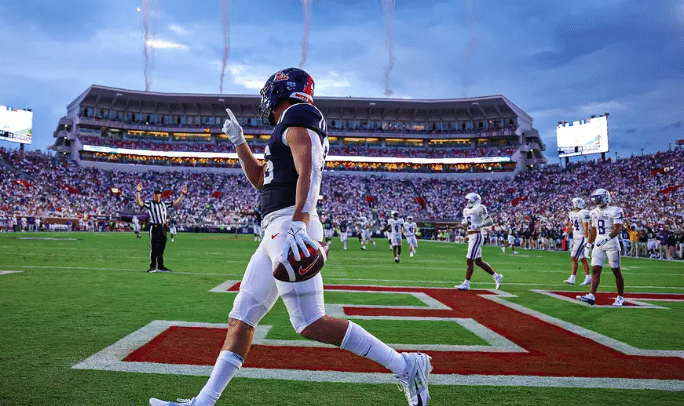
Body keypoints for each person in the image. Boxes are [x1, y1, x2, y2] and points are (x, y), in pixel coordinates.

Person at [149, 67, 431, 406]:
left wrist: (300, 219)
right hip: (274, 228)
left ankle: (404, 365)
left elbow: (308, 170)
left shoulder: (300, 114)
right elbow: (260, 178)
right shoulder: (287, 125)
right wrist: (239, 143)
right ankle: (203, 403)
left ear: (280, 90)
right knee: (241, 320)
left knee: (310, 322)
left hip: (289, 223)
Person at [577, 188, 626, 306]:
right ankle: (591, 295)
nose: (596, 201)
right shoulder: (593, 212)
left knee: (615, 270)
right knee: (595, 269)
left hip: (611, 242)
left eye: (598, 199)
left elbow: (618, 228)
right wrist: (588, 244)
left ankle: (620, 297)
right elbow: (593, 231)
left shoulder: (615, 210)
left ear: (605, 198)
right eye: (595, 199)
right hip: (599, 242)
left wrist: (607, 238)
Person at [455, 192, 503, 291]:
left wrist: (479, 226)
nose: (467, 202)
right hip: (471, 235)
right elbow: (466, 224)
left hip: (477, 235)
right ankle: (497, 276)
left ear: (474, 200)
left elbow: (490, 221)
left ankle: (466, 284)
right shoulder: (466, 210)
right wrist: (462, 226)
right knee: (478, 261)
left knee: (469, 260)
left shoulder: (480, 208)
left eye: (468, 200)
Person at [135, 183, 188, 272]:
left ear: (161, 195)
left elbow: (176, 203)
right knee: (154, 248)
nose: (157, 196)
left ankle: (160, 266)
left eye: (158, 194)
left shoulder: (164, 204)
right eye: (155, 194)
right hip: (155, 227)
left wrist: (183, 194)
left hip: (163, 227)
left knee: (161, 248)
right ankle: (152, 266)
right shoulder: (150, 203)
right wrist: (138, 192)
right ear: (153, 195)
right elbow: (139, 203)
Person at [564, 197, 591, 286]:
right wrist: (566, 232)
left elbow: (585, 227)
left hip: (581, 237)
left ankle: (572, 278)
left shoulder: (583, 213)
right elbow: (571, 225)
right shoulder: (572, 213)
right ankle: (588, 278)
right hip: (576, 237)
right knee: (582, 259)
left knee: (573, 256)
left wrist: (587, 240)